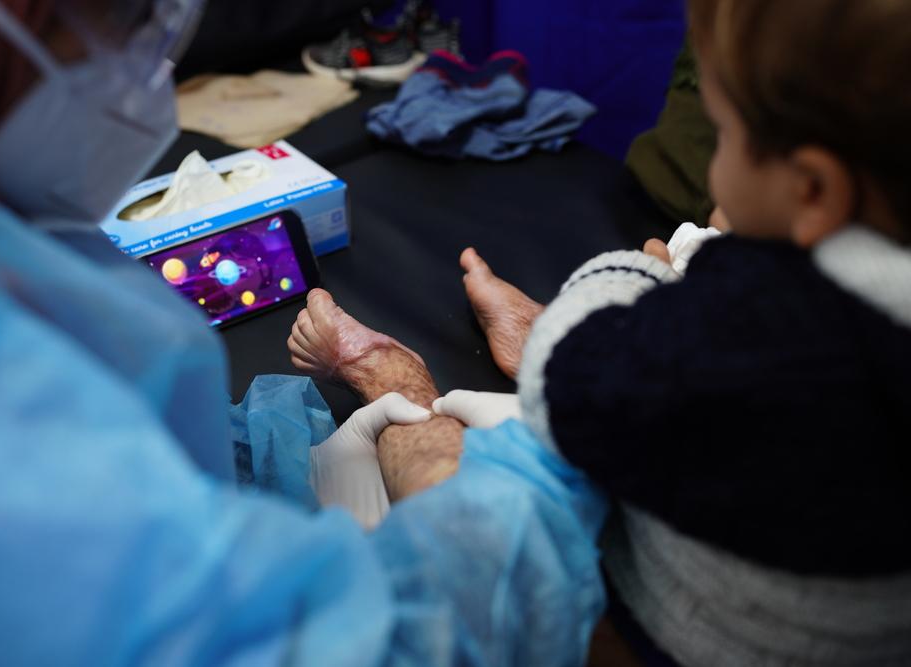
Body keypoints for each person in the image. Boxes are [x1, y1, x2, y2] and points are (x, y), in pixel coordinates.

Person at [0, 0, 612, 664]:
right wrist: (543, 454)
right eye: (112, 22)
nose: (144, 73)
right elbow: (397, 644)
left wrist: (274, 457)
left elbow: (126, 433)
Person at [289, 0, 911, 663]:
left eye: (725, 135)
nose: (713, 172)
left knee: (493, 512)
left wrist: (630, 274)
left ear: (813, 190)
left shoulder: (756, 324)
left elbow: (574, 376)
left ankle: (395, 384)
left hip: (665, 636)